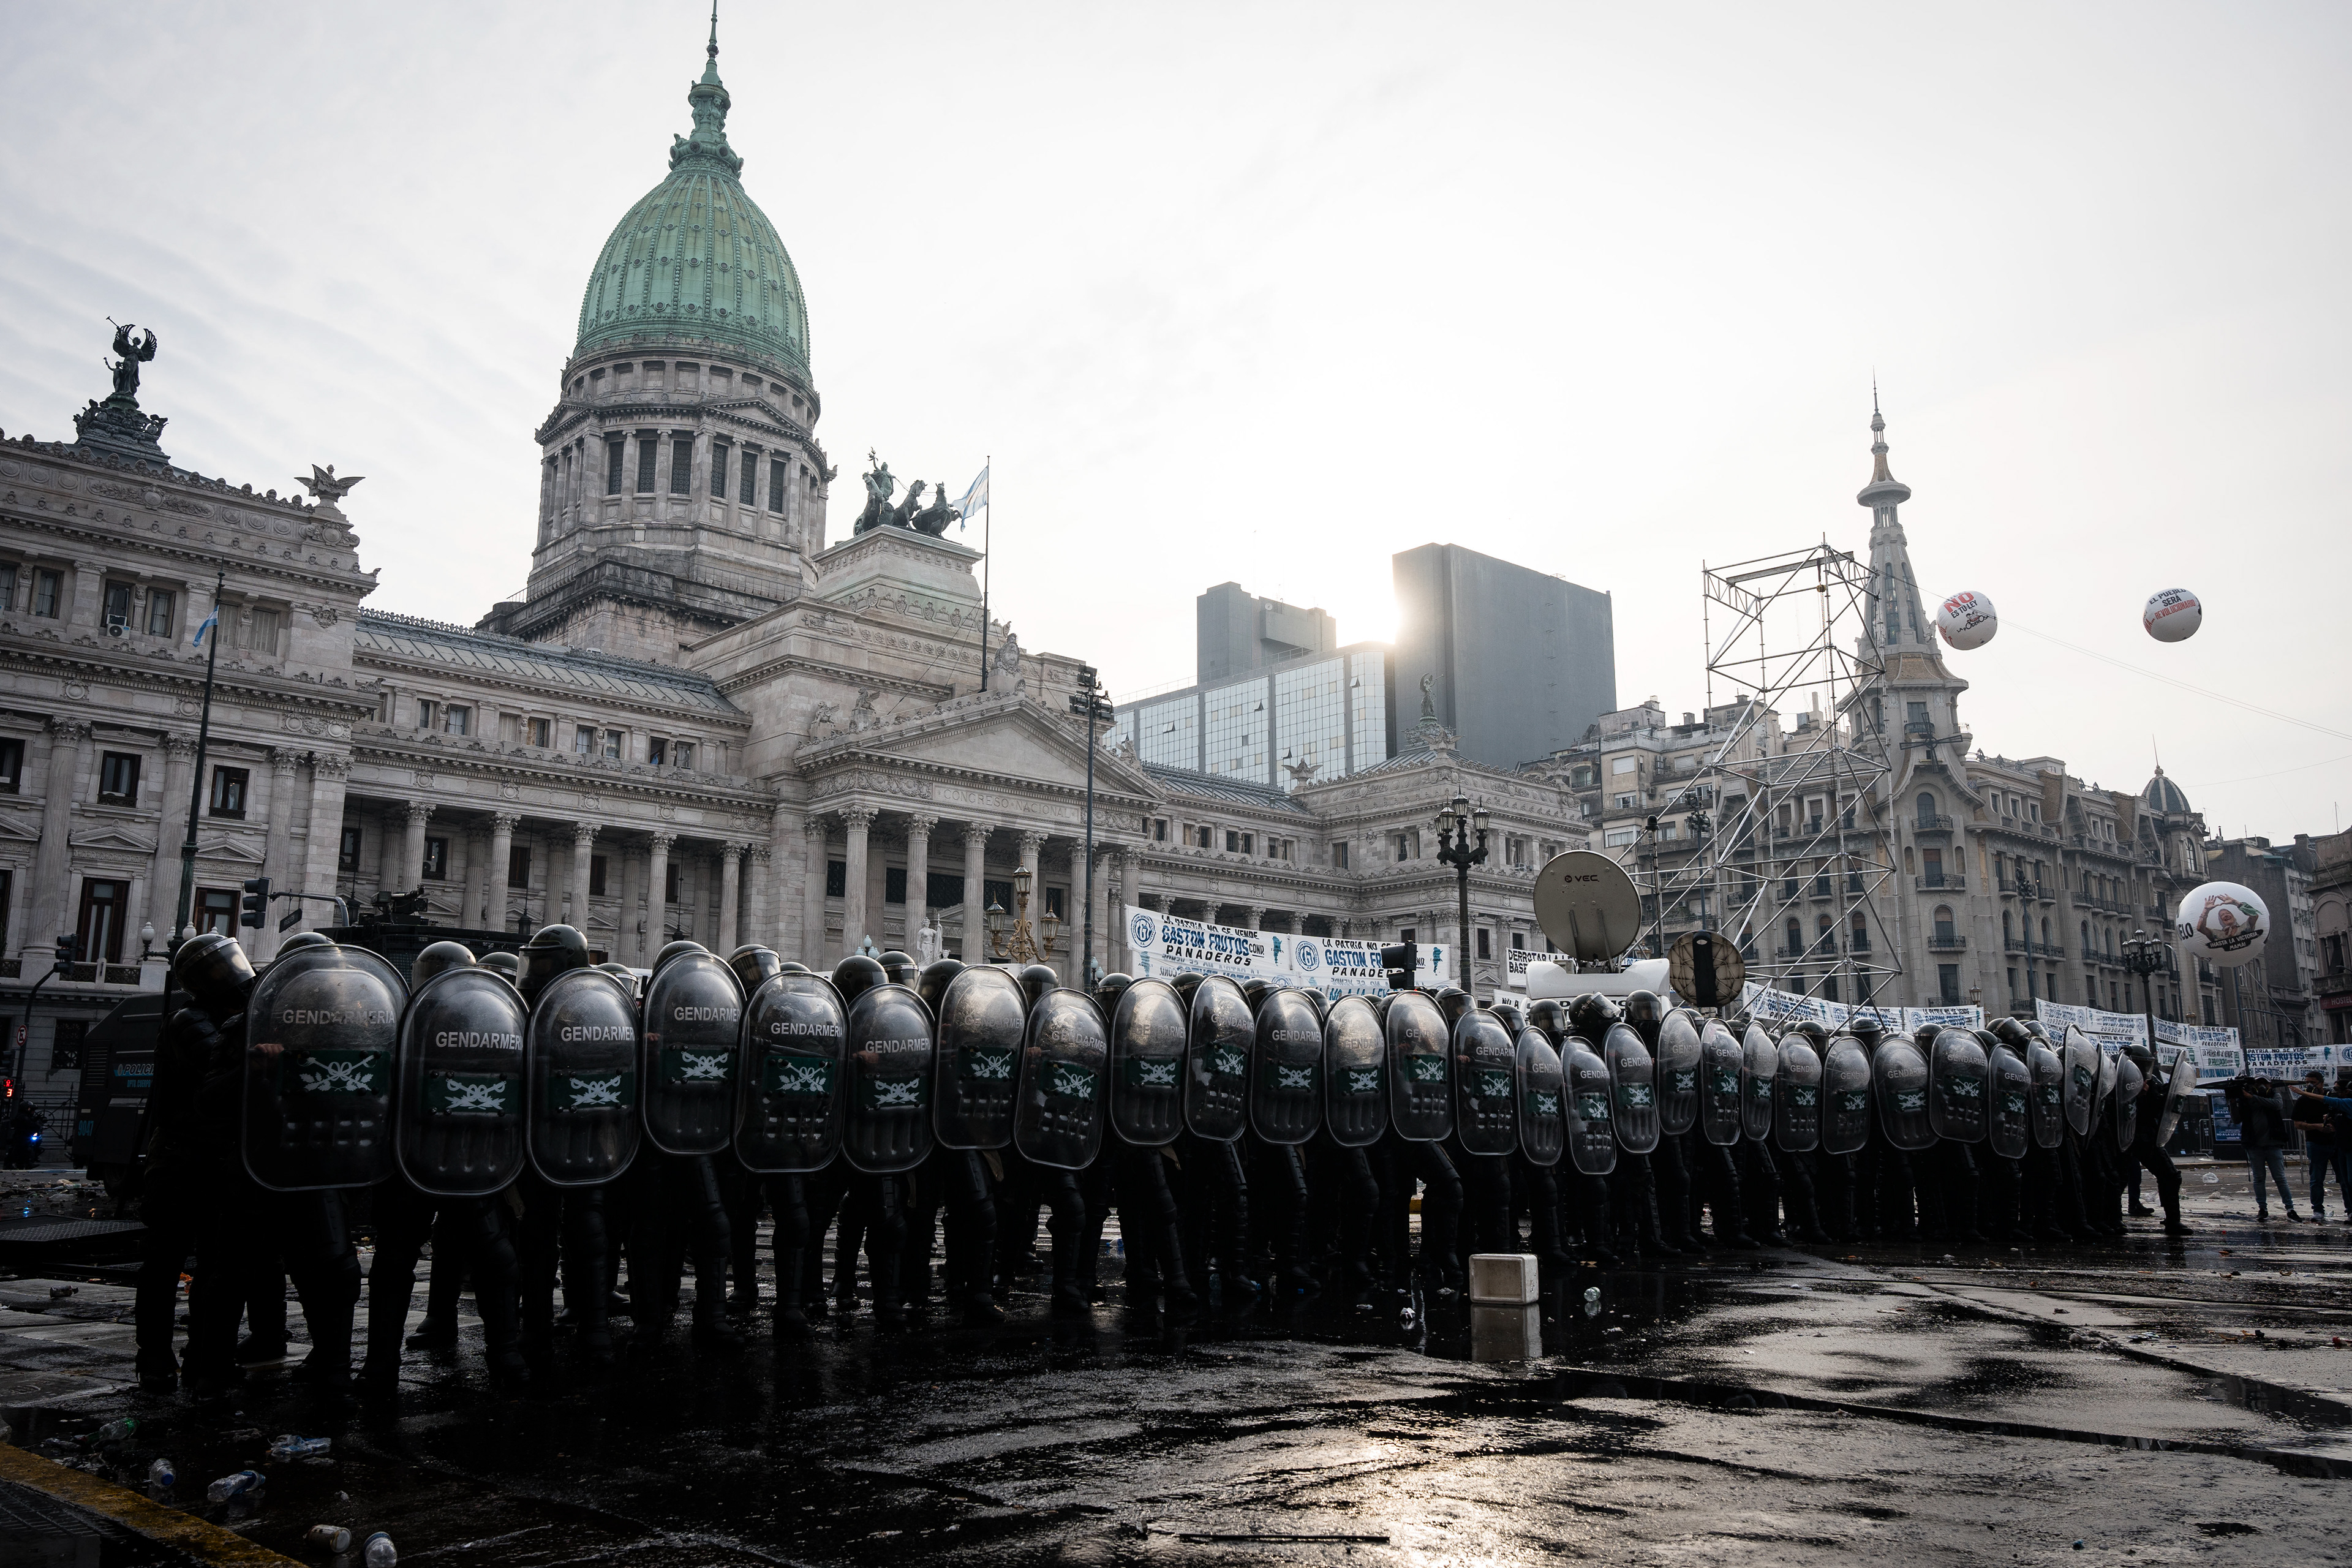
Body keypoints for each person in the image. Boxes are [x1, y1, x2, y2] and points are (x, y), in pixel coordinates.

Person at [2226, 1073, 2298, 1221]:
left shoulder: (2273, 1095)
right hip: (2254, 1145)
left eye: (2263, 1083)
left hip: (2273, 1144)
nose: (2261, 1086)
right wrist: (2233, 1102)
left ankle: (2290, 1208)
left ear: (2270, 1085)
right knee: (2259, 1179)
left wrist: (2252, 1097)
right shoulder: (2246, 1100)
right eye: (2257, 1083)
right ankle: (2262, 1208)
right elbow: (2236, 1119)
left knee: (2280, 1178)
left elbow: (2277, 1105)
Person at [2293, 1070, 2338, 1222]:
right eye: (2306, 1082)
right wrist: (2316, 1126)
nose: (2309, 1085)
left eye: (2312, 1082)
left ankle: (2350, 1210)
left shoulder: (2331, 1098)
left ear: (2321, 1083)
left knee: (2345, 1179)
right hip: (2315, 1143)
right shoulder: (2303, 1101)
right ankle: (2318, 1210)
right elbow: (2298, 1124)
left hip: (2336, 1143)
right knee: (2317, 1179)